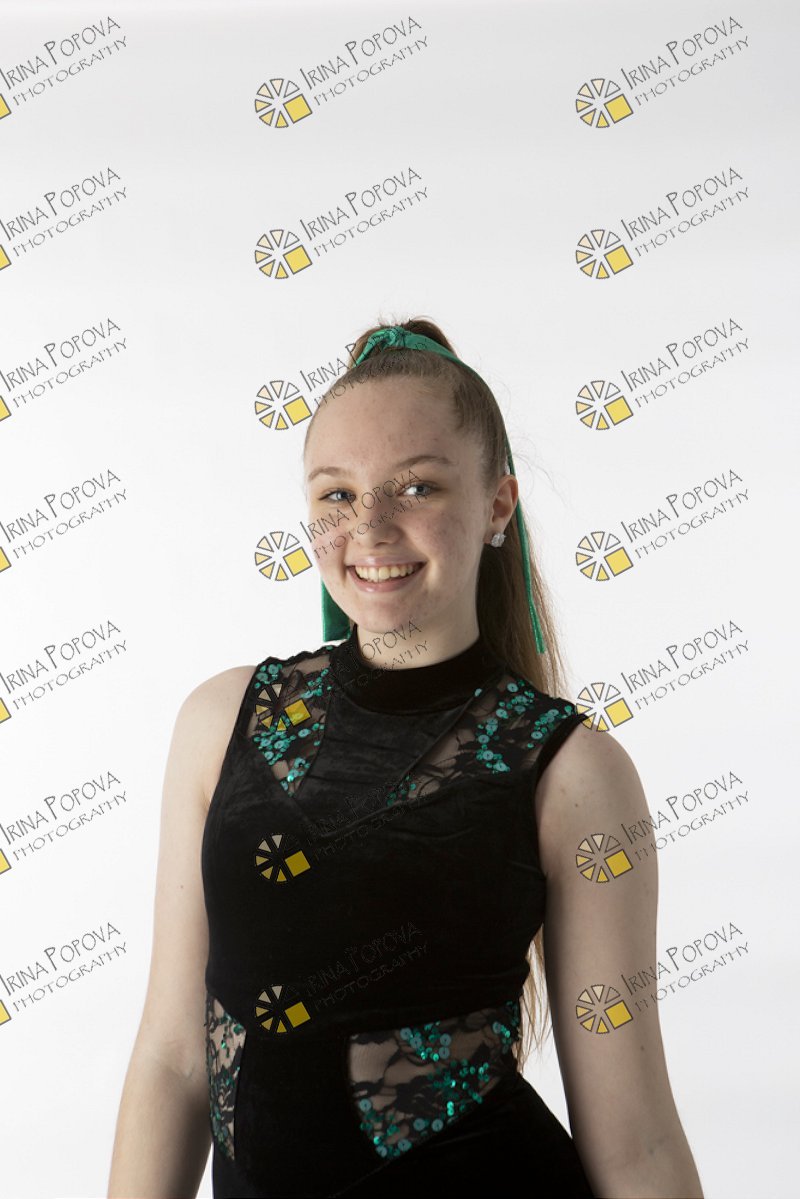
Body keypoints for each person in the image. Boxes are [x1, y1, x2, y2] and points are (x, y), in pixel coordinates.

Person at [107, 318, 704, 1198]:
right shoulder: (221, 723)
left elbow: (637, 1141)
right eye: (337, 494)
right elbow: (173, 1058)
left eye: (417, 486)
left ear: (497, 505)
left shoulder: (572, 773)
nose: (371, 527)